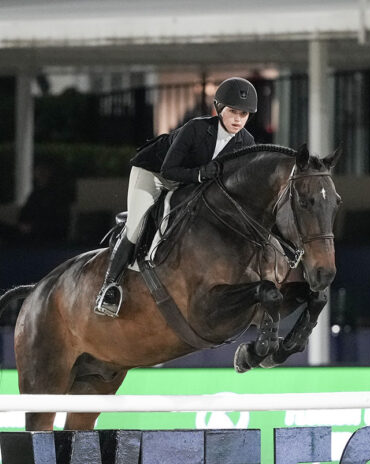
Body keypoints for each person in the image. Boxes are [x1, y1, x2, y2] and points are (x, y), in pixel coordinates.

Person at [93, 77, 258, 317]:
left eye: (244, 114)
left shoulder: (247, 142)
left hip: (189, 183)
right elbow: (170, 170)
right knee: (137, 226)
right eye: (233, 111)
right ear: (219, 109)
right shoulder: (197, 128)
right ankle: (109, 287)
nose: (237, 119)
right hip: (155, 172)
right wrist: (201, 174)